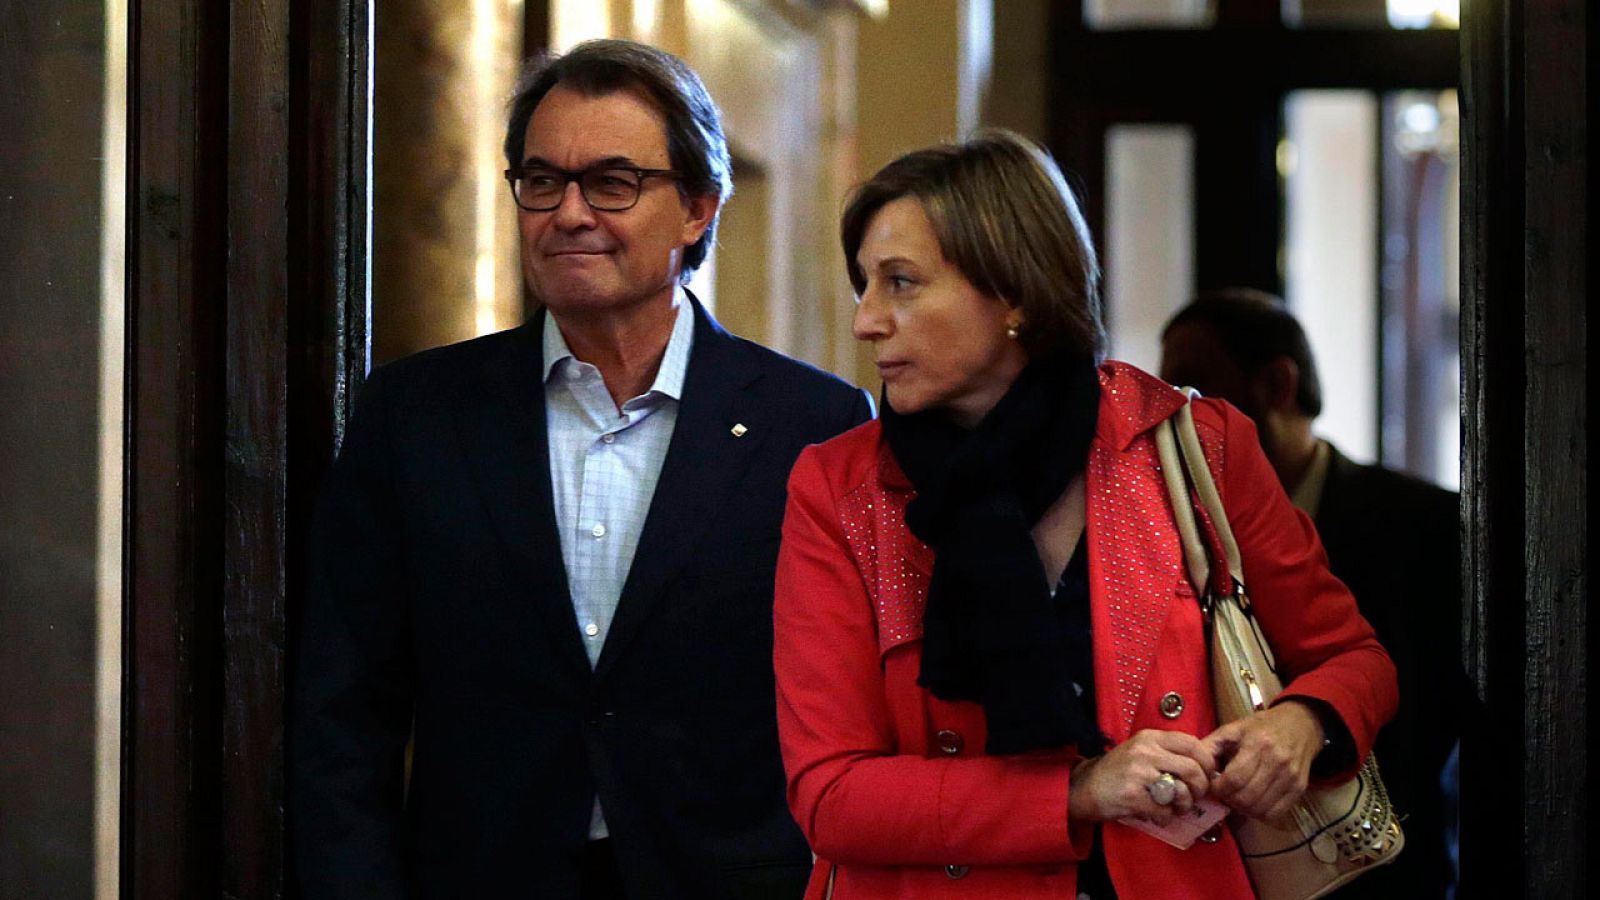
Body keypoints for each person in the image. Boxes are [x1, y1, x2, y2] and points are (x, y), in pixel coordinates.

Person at [290, 39, 873, 899]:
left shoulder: (813, 426)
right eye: (541, 181)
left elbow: (852, 713)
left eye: (611, 182)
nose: (568, 213)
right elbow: (344, 712)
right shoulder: (415, 417)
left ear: (698, 209)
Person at [772, 131, 1398, 899]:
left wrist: (1302, 723)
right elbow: (830, 794)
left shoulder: (1192, 444)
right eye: (864, 284)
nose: (866, 320)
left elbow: (1355, 661)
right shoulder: (839, 488)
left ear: (1017, 293)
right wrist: (1078, 791)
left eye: (900, 283)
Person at [1160, 289, 1465, 899]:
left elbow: (1442, 710)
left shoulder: (1426, 522)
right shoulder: (1175, 520)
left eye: (1194, 383)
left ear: (1278, 383)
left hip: (1385, 855)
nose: (1177, 408)